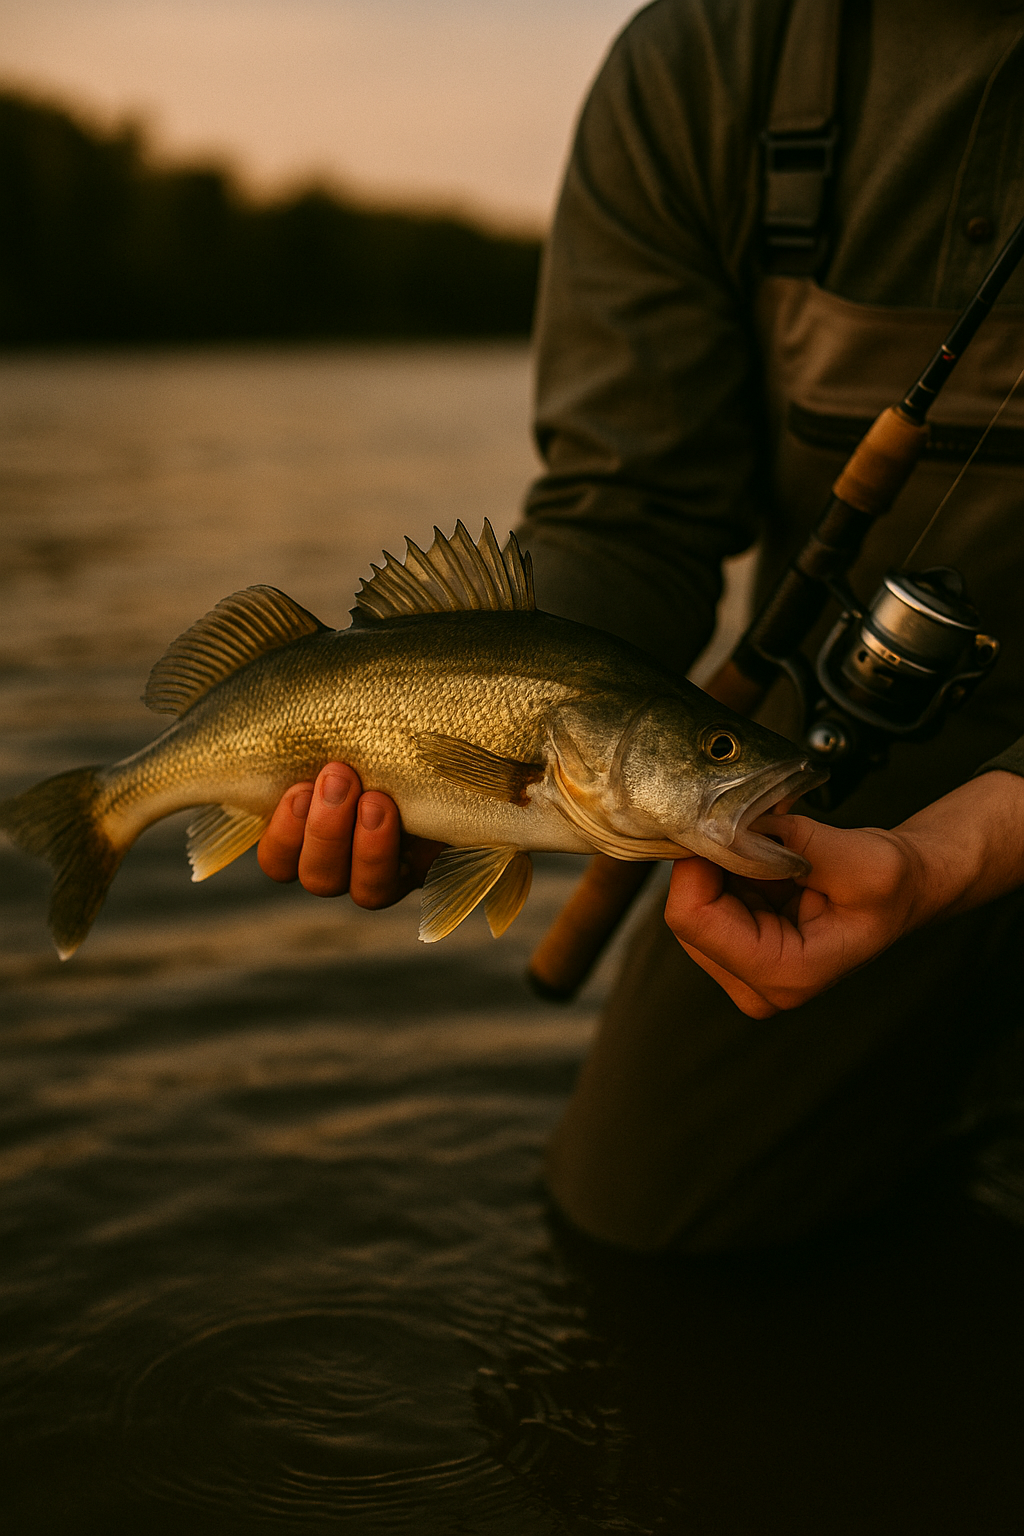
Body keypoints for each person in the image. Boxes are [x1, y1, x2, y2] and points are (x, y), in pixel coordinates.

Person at [258, 0, 1024, 1252]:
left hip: (936, 795)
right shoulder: (710, 60)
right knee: (640, 1228)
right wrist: (448, 739)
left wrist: (965, 852)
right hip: (851, 751)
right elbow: (632, 509)